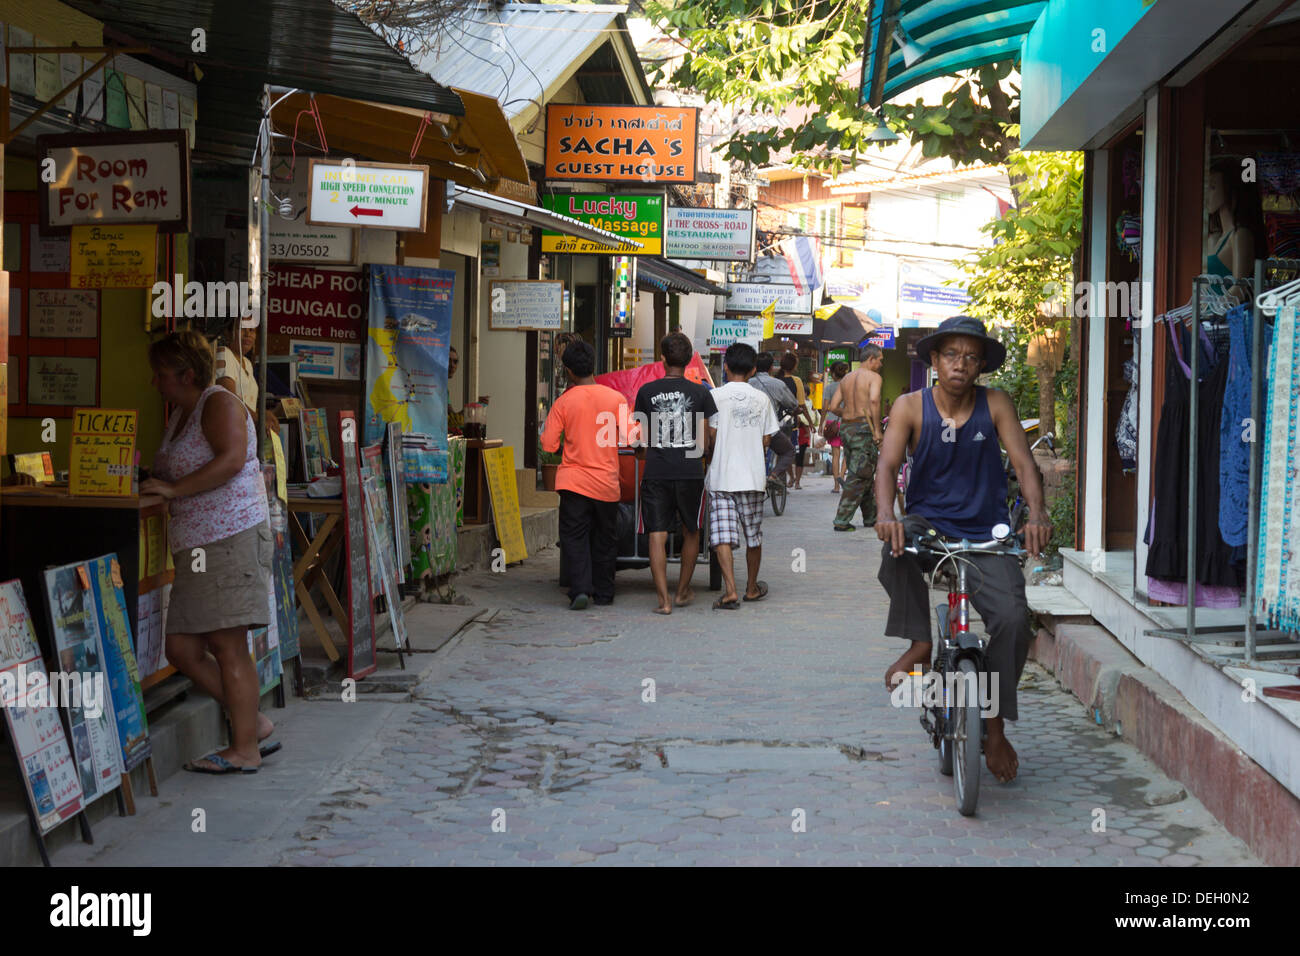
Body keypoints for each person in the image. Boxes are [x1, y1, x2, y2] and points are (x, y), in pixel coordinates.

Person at [873, 315, 1051, 784]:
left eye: (971, 357)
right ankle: (922, 642)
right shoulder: (911, 406)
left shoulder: (996, 405)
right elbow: (887, 467)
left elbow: (1025, 465)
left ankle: (993, 726)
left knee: (1014, 621)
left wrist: (1037, 515)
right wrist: (886, 514)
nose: (960, 364)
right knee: (896, 548)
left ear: (980, 367)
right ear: (934, 360)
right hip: (927, 530)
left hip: (988, 535)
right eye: (951, 354)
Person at [141, 329, 276, 774]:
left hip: (229, 538)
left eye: (161, 374)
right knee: (180, 647)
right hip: (198, 545)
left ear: (185, 373)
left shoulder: (217, 403)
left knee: (227, 643)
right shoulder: (181, 413)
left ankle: (244, 749)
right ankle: (250, 723)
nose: (155, 382)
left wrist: (175, 488)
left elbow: (233, 458)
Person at [540, 341, 636, 610]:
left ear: (568, 371)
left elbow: (548, 445)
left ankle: (581, 589)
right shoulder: (615, 398)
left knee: (574, 537)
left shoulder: (563, 402)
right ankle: (605, 593)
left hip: (573, 483)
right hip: (606, 483)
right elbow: (631, 435)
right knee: (605, 538)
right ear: (593, 366)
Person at [634, 332, 717, 615]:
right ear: (690, 359)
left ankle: (663, 601)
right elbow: (707, 440)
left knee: (656, 533)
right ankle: (682, 591)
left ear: (662, 359)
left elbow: (641, 438)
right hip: (691, 471)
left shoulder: (646, 392)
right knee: (691, 530)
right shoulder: (702, 393)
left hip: (656, 470)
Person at [706, 343, 779, 610]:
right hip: (752, 477)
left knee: (722, 535)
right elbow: (767, 439)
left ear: (725, 367)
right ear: (751, 370)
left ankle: (730, 591)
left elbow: (710, 436)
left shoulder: (714, 396)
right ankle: (751, 587)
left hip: (721, 477)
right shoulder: (762, 399)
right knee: (753, 536)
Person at [828, 345, 884, 531]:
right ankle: (841, 520)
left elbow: (834, 406)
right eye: (880, 360)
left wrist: (850, 412)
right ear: (871, 359)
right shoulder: (874, 377)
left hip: (846, 428)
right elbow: (874, 401)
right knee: (859, 475)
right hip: (863, 428)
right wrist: (877, 429)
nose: (881, 364)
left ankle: (871, 517)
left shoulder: (846, 379)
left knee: (864, 471)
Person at [748, 352, 798, 484]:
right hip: (770, 429)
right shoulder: (778, 384)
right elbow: (793, 403)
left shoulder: (747, 383)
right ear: (771, 367)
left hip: (748, 427)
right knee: (789, 451)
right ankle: (774, 475)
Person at [774, 351, 813, 489]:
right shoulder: (796, 381)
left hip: (773, 420)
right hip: (789, 421)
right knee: (787, 451)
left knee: (777, 451)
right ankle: (779, 480)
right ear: (794, 366)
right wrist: (809, 422)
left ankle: (780, 482)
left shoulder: (775, 379)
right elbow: (801, 404)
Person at [821, 361, 850, 492]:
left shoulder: (829, 388)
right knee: (847, 453)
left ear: (833, 373)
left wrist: (821, 424)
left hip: (832, 423)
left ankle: (836, 486)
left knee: (835, 454)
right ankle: (842, 477)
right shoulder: (849, 386)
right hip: (847, 422)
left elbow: (825, 408)